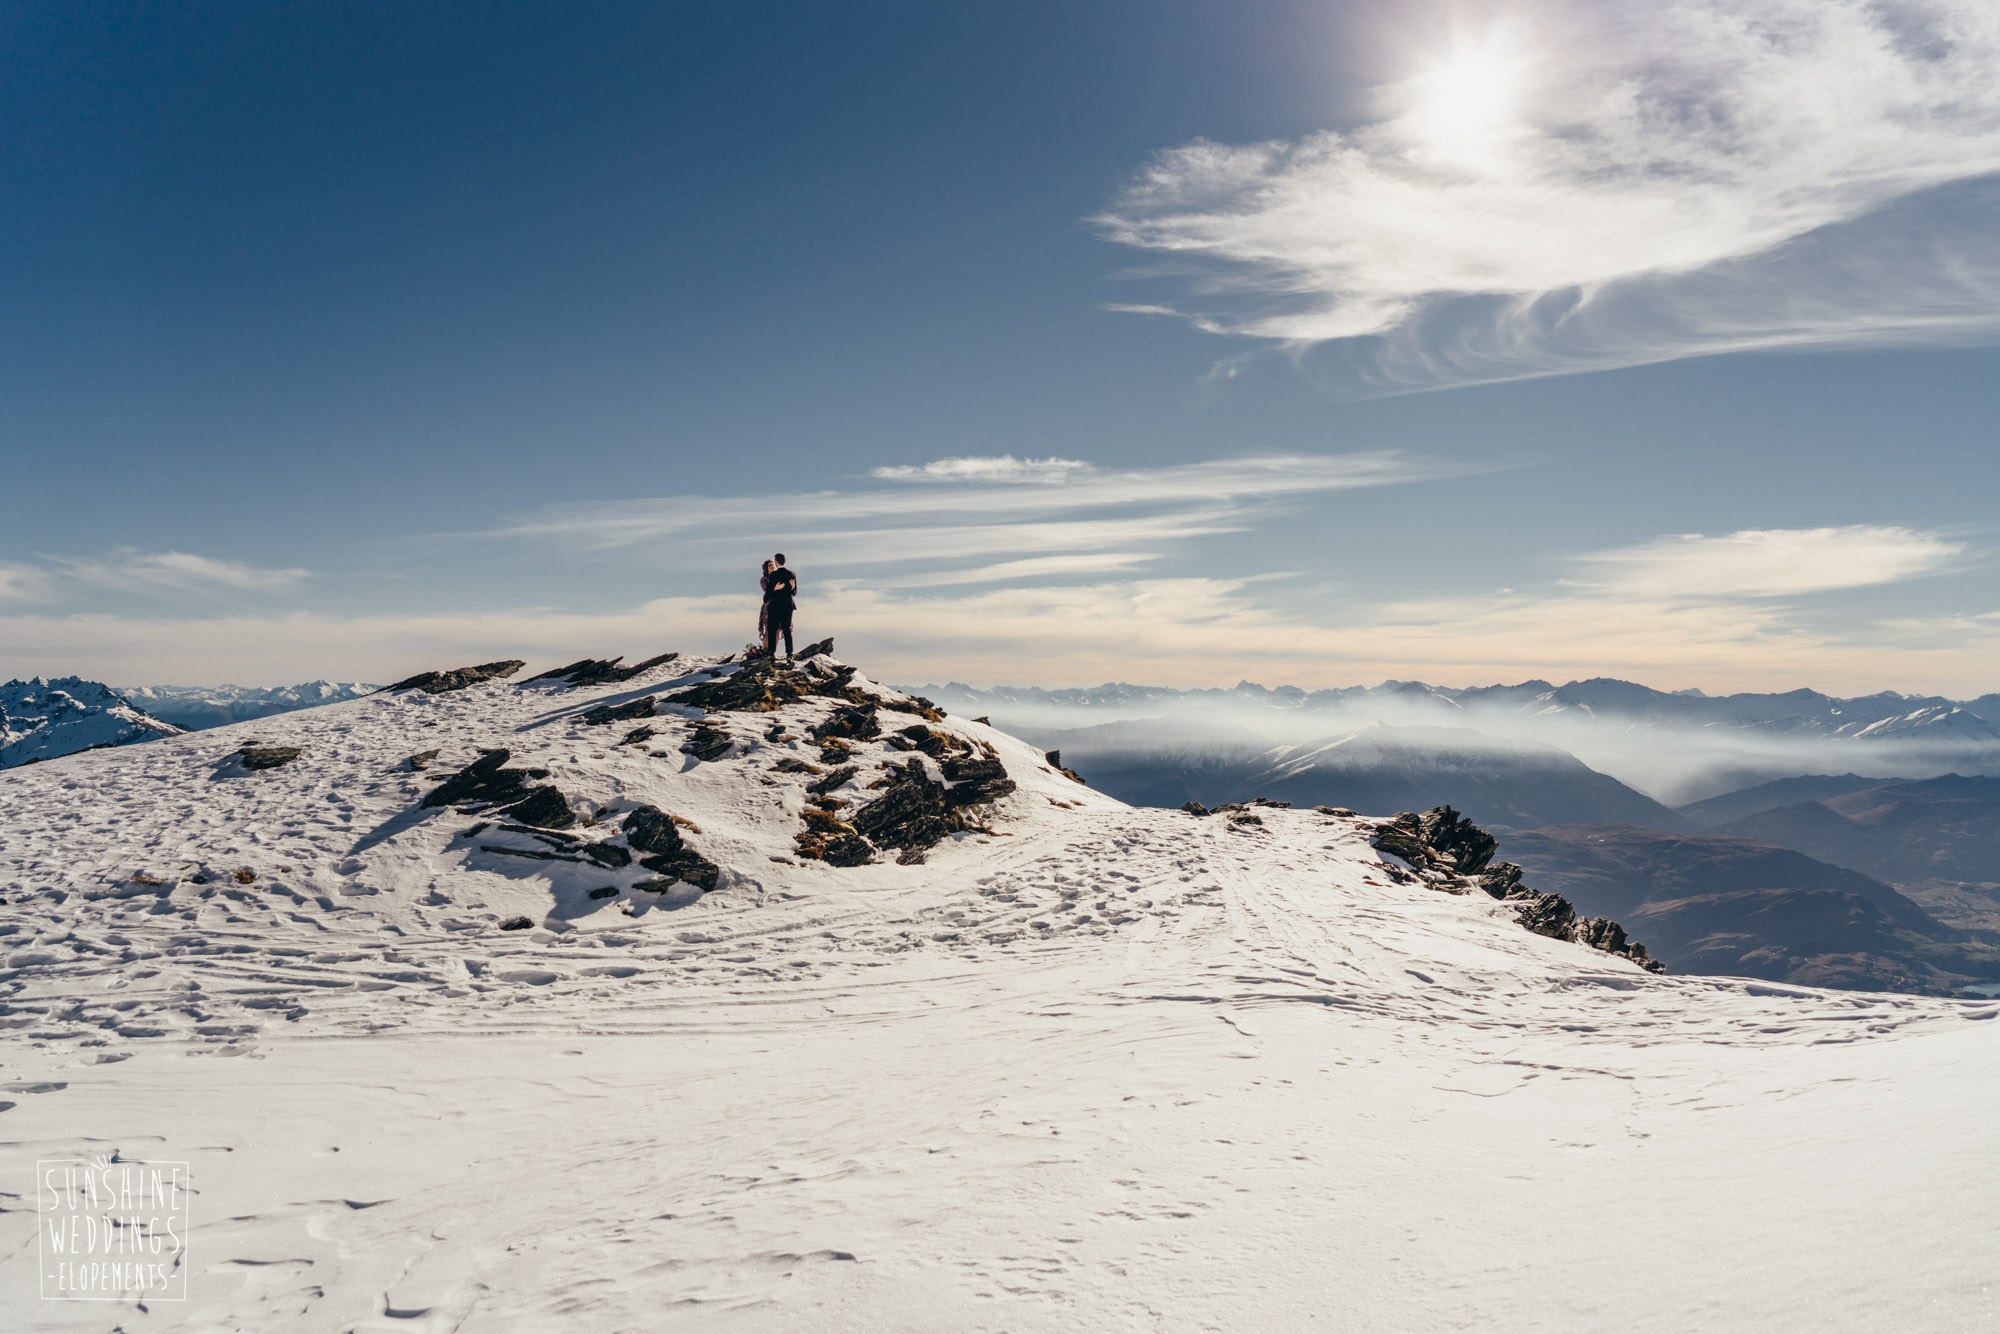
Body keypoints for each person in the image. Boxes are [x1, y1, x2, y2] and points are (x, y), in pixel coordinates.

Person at [764, 552, 798, 660]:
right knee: (787, 630)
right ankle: (789, 653)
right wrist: (792, 588)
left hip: (776, 605)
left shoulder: (774, 575)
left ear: (776, 562)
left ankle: (771, 653)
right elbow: (794, 592)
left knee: (772, 629)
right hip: (787, 605)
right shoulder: (792, 574)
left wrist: (774, 589)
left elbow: (768, 594)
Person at [755, 559, 775, 650]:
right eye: (770, 566)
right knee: (768, 629)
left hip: (778, 604)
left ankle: (772, 651)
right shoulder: (764, 579)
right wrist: (776, 588)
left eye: (773, 565)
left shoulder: (777, 577)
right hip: (769, 605)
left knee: (777, 630)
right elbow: (767, 591)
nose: (772, 567)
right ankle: (766, 650)